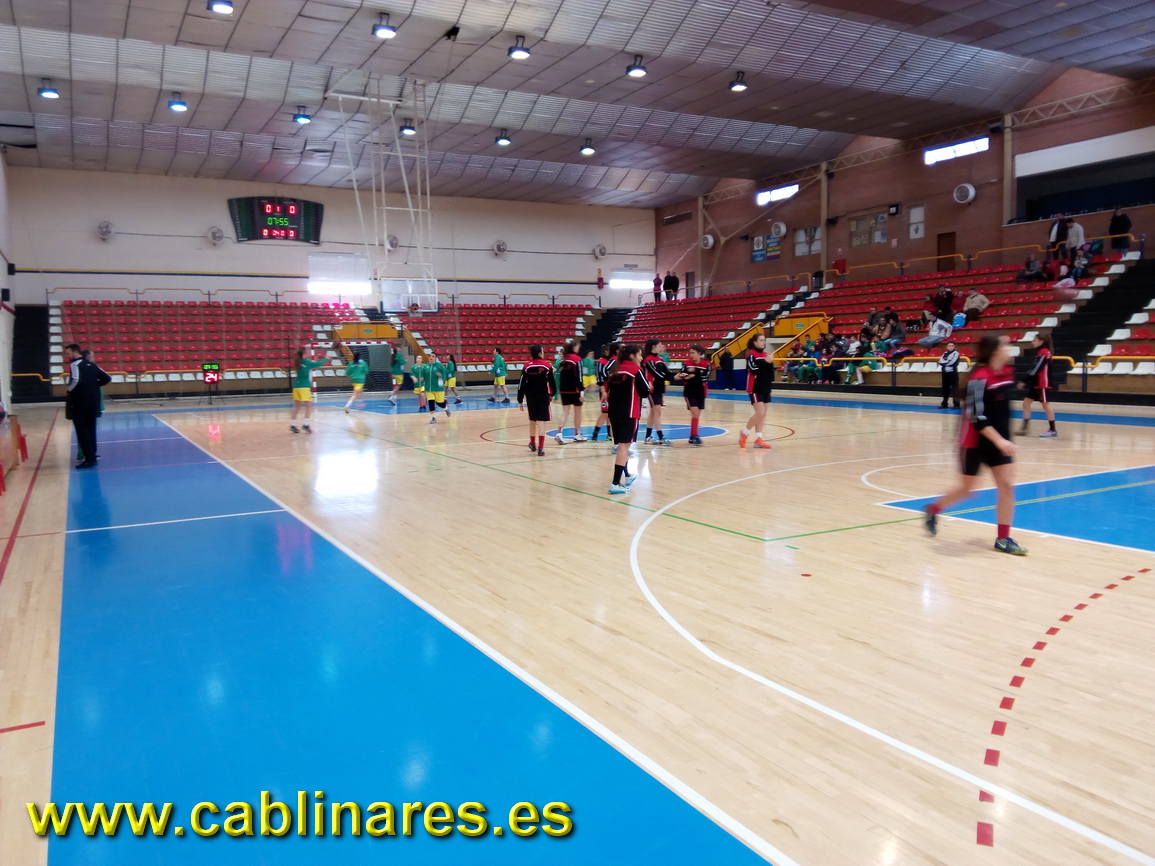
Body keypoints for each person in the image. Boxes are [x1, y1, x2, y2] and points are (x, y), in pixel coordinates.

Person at [923, 334, 1027, 556]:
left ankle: (1003, 539)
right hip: (974, 443)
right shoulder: (979, 379)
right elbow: (976, 417)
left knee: (1006, 486)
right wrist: (1000, 440)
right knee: (966, 490)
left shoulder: (1008, 373)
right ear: (995, 350)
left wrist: (1005, 439)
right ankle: (933, 509)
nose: (1010, 347)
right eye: (1006, 344)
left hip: (1000, 443)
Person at [605, 343, 650, 494]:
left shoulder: (614, 370)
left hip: (614, 413)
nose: (641, 358)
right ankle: (615, 483)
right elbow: (645, 391)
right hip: (629, 413)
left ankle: (628, 475)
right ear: (632, 356)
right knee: (624, 448)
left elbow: (608, 390)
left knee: (621, 447)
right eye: (640, 355)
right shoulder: (635, 370)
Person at [65, 344, 111, 468]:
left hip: (80, 403)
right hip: (93, 403)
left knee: (82, 431)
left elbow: (75, 380)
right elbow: (107, 378)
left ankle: (89, 458)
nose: (67, 356)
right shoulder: (92, 365)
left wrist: (69, 389)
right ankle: (92, 455)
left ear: (75, 352)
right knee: (91, 430)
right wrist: (95, 384)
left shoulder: (75, 365)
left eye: (68, 353)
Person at [517, 344, 556, 456]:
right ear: (539, 353)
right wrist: (552, 394)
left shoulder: (527, 366)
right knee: (542, 421)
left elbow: (521, 383)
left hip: (531, 397)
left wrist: (520, 399)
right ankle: (541, 448)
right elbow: (552, 382)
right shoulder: (547, 366)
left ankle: (533, 443)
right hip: (543, 396)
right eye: (543, 351)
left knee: (532, 420)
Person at [739, 332, 774, 449]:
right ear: (755, 342)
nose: (763, 342)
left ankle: (758, 439)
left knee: (762, 415)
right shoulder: (751, 355)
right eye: (761, 340)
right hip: (755, 387)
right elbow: (754, 370)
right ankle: (745, 432)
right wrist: (766, 362)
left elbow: (770, 371)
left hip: (766, 387)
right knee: (760, 413)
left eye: (764, 340)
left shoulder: (766, 354)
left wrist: (769, 363)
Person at [1019, 334, 1057, 438]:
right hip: (1036, 384)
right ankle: (1025, 429)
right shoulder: (1041, 352)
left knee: (1046, 405)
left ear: (1041, 341)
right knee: (1026, 404)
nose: (1032, 342)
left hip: (1042, 384)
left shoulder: (1044, 352)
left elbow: (1036, 368)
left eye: (1035, 340)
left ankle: (1053, 430)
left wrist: (1024, 380)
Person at [675, 344, 710, 445]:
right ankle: (695, 435)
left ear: (699, 353)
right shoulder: (687, 363)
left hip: (701, 391)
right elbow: (682, 375)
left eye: (693, 353)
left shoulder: (706, 364)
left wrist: (694, 374)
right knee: (694, 412)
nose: (691, 355)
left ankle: (692, 436)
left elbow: (705, 378)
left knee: (697, 414)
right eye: (690, 353)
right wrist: (692, 374)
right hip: (689, 390)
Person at [289, 345, 327, 433]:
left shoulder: (297, 362)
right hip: (304, 387)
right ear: (303, 355)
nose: (306, 355)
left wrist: (313, 360)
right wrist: (326, 358)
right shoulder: (307, 362)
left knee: (297, 407)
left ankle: (293, 425)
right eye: (305, 354)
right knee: (309, 407)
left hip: (296, 387)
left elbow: (309, 365)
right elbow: (318, 364)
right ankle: (306, 425)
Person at [555, 341, 587, 444]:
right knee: (577, 412)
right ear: (574, 347)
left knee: (565, 412)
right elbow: (579, 376)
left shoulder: (563, 358)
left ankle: (559, 433)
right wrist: (581, 390)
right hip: (575, 389)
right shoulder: (577, 359)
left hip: (563, 389)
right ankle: (577, 434)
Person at [642, 339, 672, 446]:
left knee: (653, 413)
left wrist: (676, 376)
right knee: (657, 411)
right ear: (653, 347)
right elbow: (656, 374)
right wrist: (672, 377)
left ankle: (648, 437)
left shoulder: (659, 359)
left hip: (659, 388)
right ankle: (661, 437)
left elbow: (665, 372)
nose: (661, 347)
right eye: (659, 345)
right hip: (652, 389)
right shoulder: (648, 359)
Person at [590, 342, 619, 443]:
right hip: (605, 390)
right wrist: (603, 391)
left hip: (612, 389)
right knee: (604, 413)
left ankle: (609, 435)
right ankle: (595, 435)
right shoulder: (601, 362)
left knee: (610, 413)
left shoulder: (612, 361)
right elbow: (599, 378)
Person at [423, 351, 450, 424]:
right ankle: (433, 418)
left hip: (438, 388)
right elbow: (423, 375)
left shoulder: (439, 365)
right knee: (431, 402)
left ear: (435, 358)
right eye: (430, 356)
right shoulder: (426, 366)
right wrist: (422, 378)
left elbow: (445, 375)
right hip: (429, 388)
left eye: (433, 356)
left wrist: (440, 375)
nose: (431, 357)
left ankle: (446, 408)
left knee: (440, 403)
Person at [938, 341, 961, 409]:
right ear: (947, 347)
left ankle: (956, 404)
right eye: (949, 346)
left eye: (952, 346)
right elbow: (940, 362)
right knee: (945, 388)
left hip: (953, 373)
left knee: (955, 389)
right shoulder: (944, 353)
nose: (950, 347)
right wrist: (947, 362)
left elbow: (953, 362)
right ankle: (944, 403)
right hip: (945, 373)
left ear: (954, 347)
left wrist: (945, 363)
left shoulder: (956, 353)